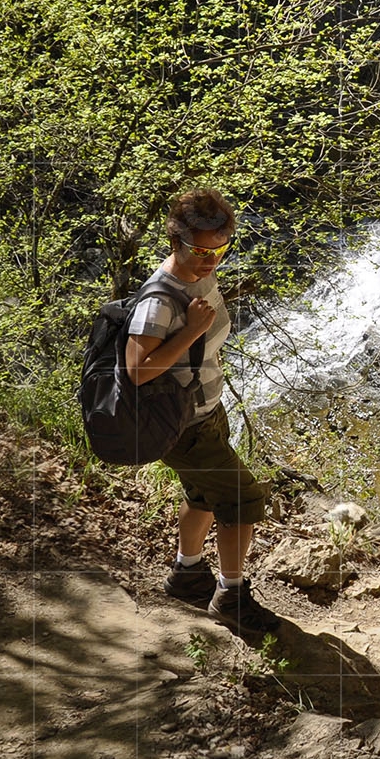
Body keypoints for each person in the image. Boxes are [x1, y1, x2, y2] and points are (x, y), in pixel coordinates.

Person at [126, 188, 279, 638]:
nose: (211, 259)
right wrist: (192, 330)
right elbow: (136, 371)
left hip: (204, 414)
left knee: (202, 494)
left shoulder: (199, 275)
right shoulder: (161, 297)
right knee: (242, 499)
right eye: (200, 250)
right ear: (175, 240)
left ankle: (187, 574)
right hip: (184, 427)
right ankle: (231, 598)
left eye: (220, 249)